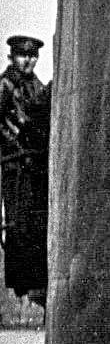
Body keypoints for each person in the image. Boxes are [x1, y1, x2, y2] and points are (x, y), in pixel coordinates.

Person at [0, 35, 52, 302]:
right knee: (21, 223)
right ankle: (26, 281)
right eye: (23, 55)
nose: (29, 61)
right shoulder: (6, 85)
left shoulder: (35, 85)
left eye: (33, 56)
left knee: (34, 223)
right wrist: (14, 142)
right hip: (17, 166)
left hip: (33, 165)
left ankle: (35, 280)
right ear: (12, 57)